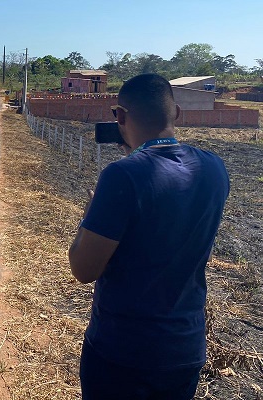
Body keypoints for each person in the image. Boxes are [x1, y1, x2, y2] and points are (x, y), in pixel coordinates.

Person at [68, 73, 230, 400]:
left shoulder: (122, 176)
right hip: (185, 350)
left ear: (120, 116)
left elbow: (83, 270)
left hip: (124, 352)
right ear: (177, 113)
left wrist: (90, 213)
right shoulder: (214, 168)